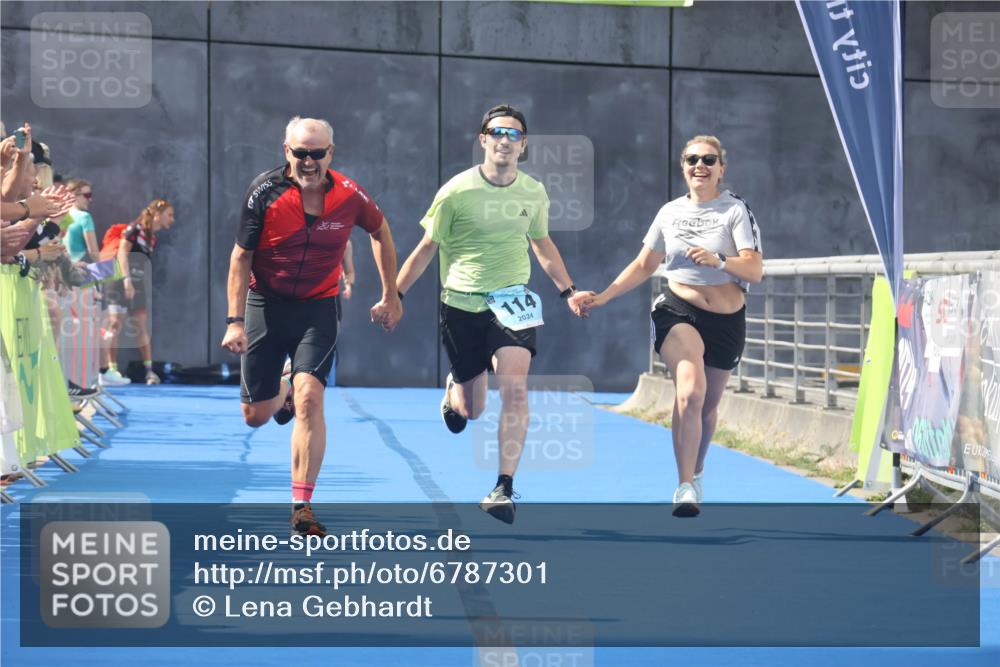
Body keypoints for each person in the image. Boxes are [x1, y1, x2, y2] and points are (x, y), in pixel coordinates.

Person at [396, 104, 583, 524]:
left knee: (515, 389)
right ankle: (454, 391)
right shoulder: (456, 191)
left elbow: (543, 244)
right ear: (483, 139)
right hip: (460, 303)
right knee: (473, 408)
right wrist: (396, 294)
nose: (505, 140)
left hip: (513, 301)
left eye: (513, 134)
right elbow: (428, 247)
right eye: (497, 132)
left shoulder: (533, 192)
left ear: (524, 145)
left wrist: (567, 291)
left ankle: (504, 487)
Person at [220, 116, 402, 537]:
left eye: (316, 153)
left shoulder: (350, 194)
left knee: (311, 400)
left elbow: (382, 232)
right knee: (255, 416)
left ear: (330, 154)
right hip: (265, 304)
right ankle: (281, 384)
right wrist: (234, 321)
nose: (308, 161)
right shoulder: (264, 192)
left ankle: (302, 505)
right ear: (286, 151)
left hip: (318, 308)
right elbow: (239, 257)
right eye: (300, 153)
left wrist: (390, 293)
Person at [572, 135, 763, 518]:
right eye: (693, 159)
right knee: (691, 393)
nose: (700, 166)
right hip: (678, 310)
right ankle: (684, 486)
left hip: (727, 318)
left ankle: (697, 470)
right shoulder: (669, 212)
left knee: (708, 408)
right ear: (683, 167)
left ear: (721, 168)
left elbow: (754, 270)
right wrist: (604, 296)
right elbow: (645, 265)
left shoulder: (735, 211)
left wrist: (720, 261)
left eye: (709, 160)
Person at [100, 199, 175, 386]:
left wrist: (137, 284)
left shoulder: (152, 237)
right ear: (157, 214)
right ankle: (110, 370)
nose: (172, 220)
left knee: (142, 327)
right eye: (170, 215)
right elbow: (122, 254)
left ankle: (149, 372)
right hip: (119, 282)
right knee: (115, 324)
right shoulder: (134, 229)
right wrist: (127, 280)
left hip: (138, 286)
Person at [62, 180, 99, 262]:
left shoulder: (60, 215)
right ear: (73, 196)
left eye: (90, 195)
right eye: (87, 195)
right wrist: (101, 269)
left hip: (63, 268)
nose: (90, 199)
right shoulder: (85, 217)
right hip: (80, 269)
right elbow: (93, 252)